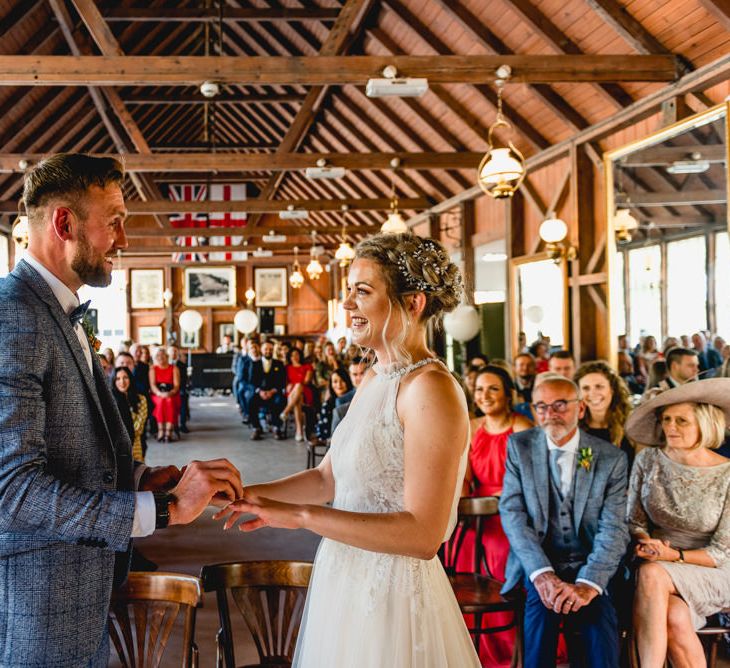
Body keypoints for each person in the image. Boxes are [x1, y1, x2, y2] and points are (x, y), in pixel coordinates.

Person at [0, 153, 243, 666]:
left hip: (78, 597)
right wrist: (164, 511)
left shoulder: (57, 312)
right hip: (34, 604)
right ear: (64, 222)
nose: (124, 239)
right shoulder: (13, 314)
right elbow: (13, 490)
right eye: (113, 221)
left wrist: (138, 479)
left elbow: (67, 449)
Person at [215, 233, 480, 666]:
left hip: (395, 594)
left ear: (412, 303)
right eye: (348, 292)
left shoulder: (430, 388)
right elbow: (327, 478)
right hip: (344, 577)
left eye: (363, 291)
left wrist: (300, 518)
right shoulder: (377, 377)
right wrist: (246, 494)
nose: (348, 305)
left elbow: (423, 535)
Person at [499, 374, 629, 667]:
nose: (550, 414)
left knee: (601, 637)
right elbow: (513, 514)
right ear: (533, 410)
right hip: (541, 561)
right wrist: (542, 574)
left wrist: (588, 584)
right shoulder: (519, 447)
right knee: (539, 625)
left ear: (580, 409)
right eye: (542, 407)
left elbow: (614, 529)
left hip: (591, 564)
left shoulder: (610, 458)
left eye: (560, 405)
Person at [624, 378, 730, 667]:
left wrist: (674, 557)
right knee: (673, 614)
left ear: (705, 424)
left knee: (651, 574)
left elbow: (722, 552)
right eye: (667, 419)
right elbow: (633, 520)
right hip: (656, 557)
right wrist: (645, 542)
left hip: (715, 569)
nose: (671, 427)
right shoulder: (648, 460)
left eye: (681, 421)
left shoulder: (727, 473)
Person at [457, 365, 533, 666]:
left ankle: (506, 643)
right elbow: (464, 478)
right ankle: (473, 641)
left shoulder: (523, 428)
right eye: (479, 389)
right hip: (477, 509)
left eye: (493, 389)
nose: (485, 396)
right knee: (459, 547)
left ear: (508, 394)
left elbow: (531, 482)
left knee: (500, 552)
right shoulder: (471, 427)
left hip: (512, 510)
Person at [575, 360, 635, 467]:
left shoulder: (631, 424)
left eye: (599, 386)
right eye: (586, 388)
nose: (592, 393)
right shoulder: (574, 428)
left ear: (612, 389)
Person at [244, 339, 287, 441]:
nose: (268, 351)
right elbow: (251, 382)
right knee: (250, 400)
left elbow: (282, 381)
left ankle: (277, 427)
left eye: (270, 349)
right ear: (261, 350)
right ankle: (256, 427)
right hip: (259, 392)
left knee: (279, 401)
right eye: (266, 349)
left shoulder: (279, 364)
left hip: (274, 392)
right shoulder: (255, 364)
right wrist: (260, 391)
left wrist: (273, 391)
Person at [111, 366, 148, 462]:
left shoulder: (141, 399)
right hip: (115, 447)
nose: (122, 382)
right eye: (118, 379)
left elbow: (139, 428)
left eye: (125, 378)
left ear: (130, 379)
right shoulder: (110, 401)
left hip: (135, 445)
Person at [281, 347, 315, 442]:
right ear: (289, 357)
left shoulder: (307, 366)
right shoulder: (287, 368)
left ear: (300, 355)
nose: (294, 357)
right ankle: (299, 431)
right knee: (297, 400)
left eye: (297, 354)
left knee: (299, 386)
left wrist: (295, 384)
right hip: (292, 393)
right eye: (292, 355)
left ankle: (286, 411)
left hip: (305, 391)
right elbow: (285, 383)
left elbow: (306, 381)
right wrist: (288, 385)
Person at [312, 368, 354, 444]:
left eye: (342, 380)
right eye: (335, 381)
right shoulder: (327, 405)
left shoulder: (354, 400)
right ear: (331, 384)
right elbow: (324, 432)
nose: (339, 384)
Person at [149, 346, 181, 442]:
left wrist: (170, 393)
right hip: (157, 394)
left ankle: (168, 432)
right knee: (162, 401)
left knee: (169, 400)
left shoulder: (174, 368)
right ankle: (161, 431)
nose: (160, 357)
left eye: (163, 355)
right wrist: (159, 393)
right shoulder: (153, 369)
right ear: (155, 358)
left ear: (167, 357)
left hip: (172, 394)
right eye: (158, 355)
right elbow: (153, 386)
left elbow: (176, 385)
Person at [330, 356, 367, 434]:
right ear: (350, 376)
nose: (359, 378)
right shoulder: (342, 400)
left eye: (362, 373)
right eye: (355, 374)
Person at [168, 344, 189, 434]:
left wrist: (178, 388)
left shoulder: (182, 365)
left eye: (175, 351)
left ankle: (183, 424)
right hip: (167, 388)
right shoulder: (165, 364)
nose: (173, 353)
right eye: (171, 351)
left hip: (180, 388)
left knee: (183, 397)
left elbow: (184, 379)